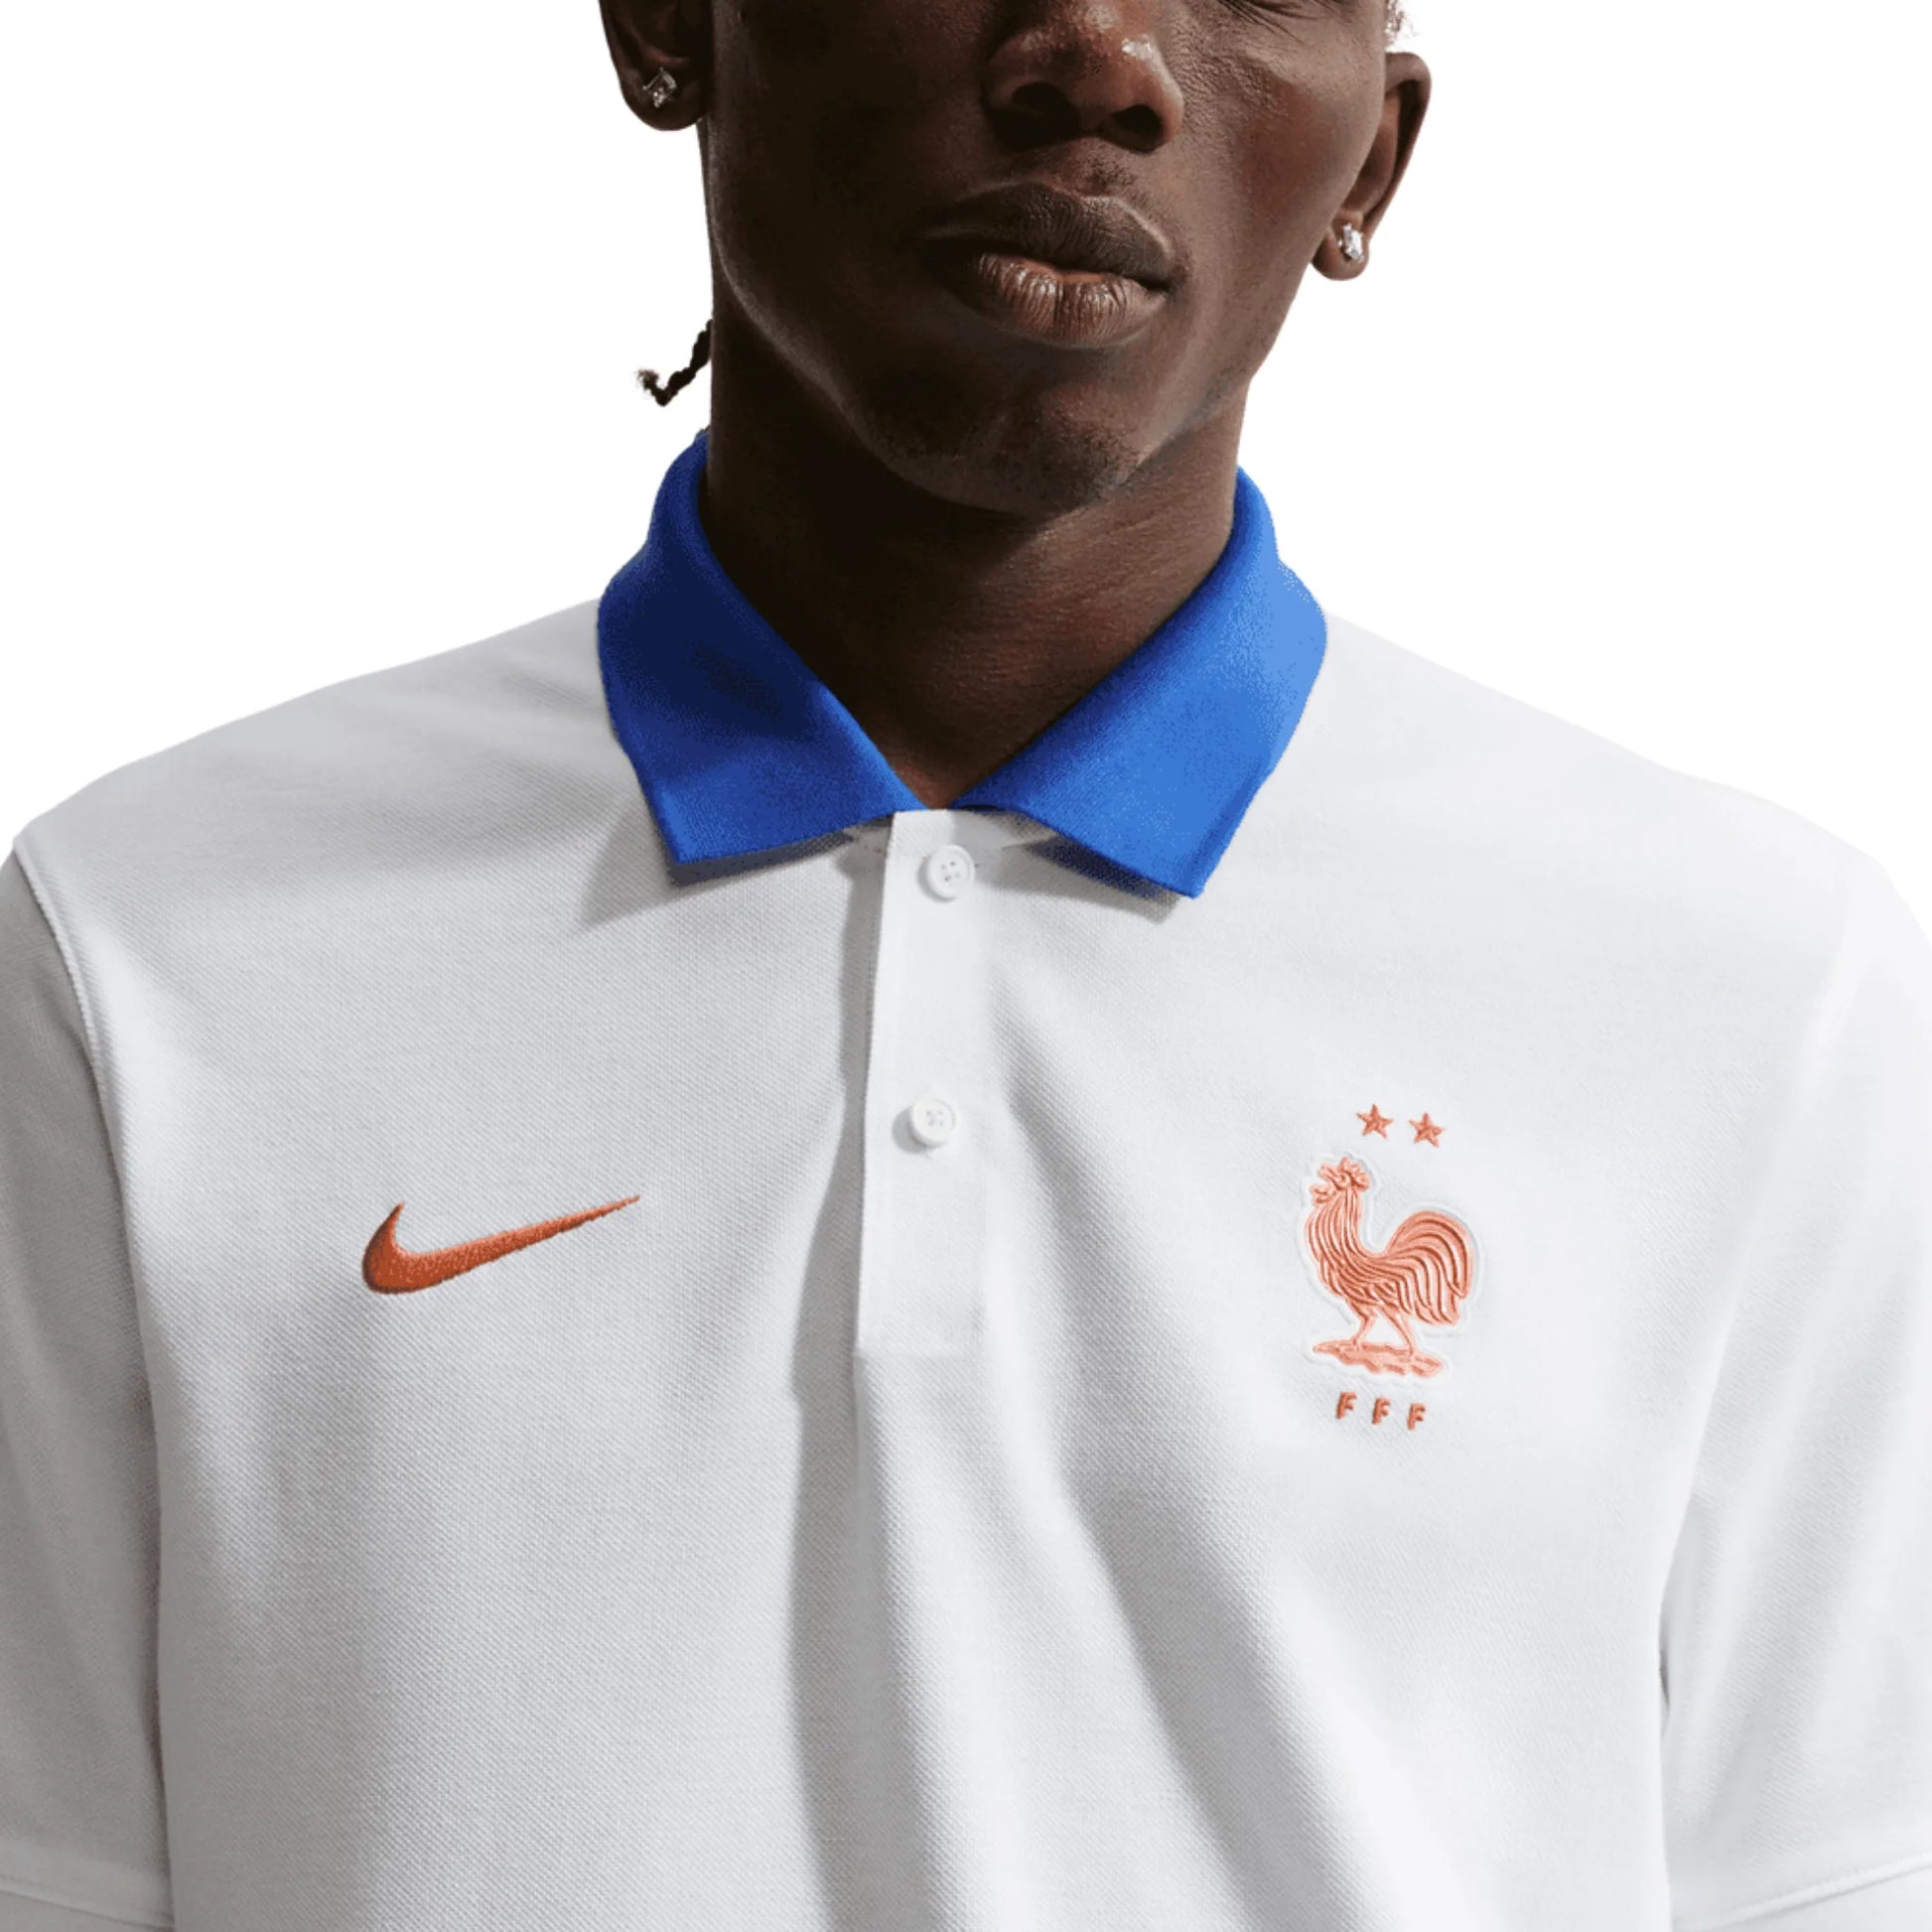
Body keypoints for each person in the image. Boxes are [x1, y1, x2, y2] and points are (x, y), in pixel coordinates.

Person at [2, 0, 1928, 1926]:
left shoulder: (1755, 998)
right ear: (667, 28)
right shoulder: (141, 955)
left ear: (1372, 160)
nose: (1098, 52)